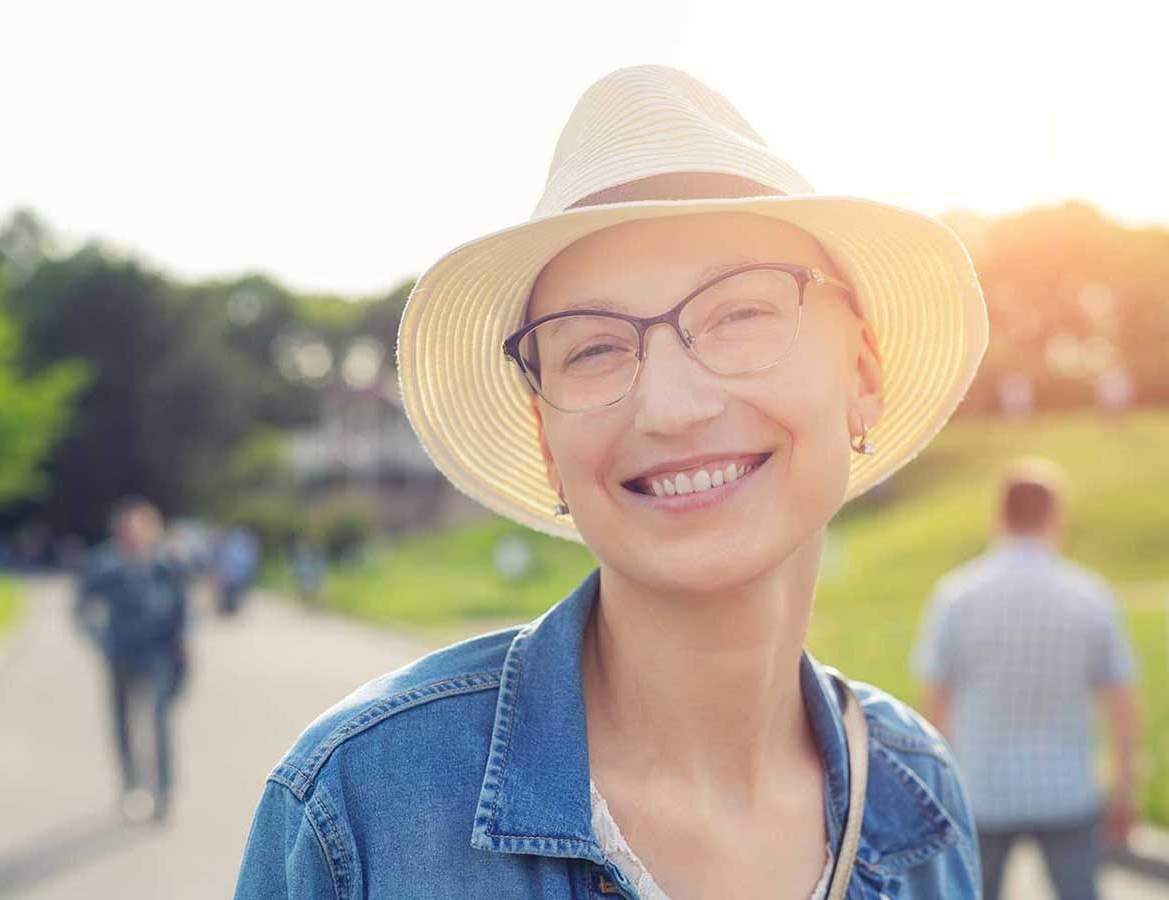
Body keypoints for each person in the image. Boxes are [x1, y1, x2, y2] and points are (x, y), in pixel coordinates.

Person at [235, 65, 989, 899]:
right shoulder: (357, 812)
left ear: (863, 374)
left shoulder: (920, 798)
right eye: (593, 348)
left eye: (741, 314)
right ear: (546, 441)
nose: (671, 407)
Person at [912, 457, 1140, 900]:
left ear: (998, 515)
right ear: (1057, 516)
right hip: (1068, 791)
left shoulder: (956, 596)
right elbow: (1122, 704)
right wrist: (1125, 789)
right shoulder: (1091, 597)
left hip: (982, 790)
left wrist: (933, 794)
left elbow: (933, 708)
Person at [75, 496, 190, 823]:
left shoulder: (166, 565)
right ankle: (131, 786)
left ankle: (163, 790)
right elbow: (81, 608)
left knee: (159, 723)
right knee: (123, 723)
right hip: (120, 653)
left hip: (157, 655)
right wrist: (99, 638)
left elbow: (182, 609)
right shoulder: (104, 565)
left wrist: (182, 645)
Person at [212, 523, 261, 616]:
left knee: (232, 591)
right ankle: (228, 608)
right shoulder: (245, 543)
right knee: (230, 591)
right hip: (234, 571)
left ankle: (229, 608)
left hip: (235, 571)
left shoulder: (234, 542)